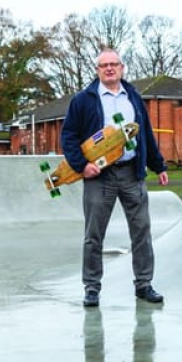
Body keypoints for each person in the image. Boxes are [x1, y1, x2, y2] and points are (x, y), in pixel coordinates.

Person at [61, 48, 169, 307]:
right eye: (104, 65)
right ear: (97, 70)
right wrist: (82, 165)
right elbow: (68, 136)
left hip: (132, 173)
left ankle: (144, 284)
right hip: (100, 177)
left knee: (141, 231)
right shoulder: (83, 100)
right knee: (94, 235)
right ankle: (91, 288)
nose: (109, 68)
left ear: (122, 68)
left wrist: (159, 165)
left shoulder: (133, 97)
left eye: (114, 64)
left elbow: (146, 135)